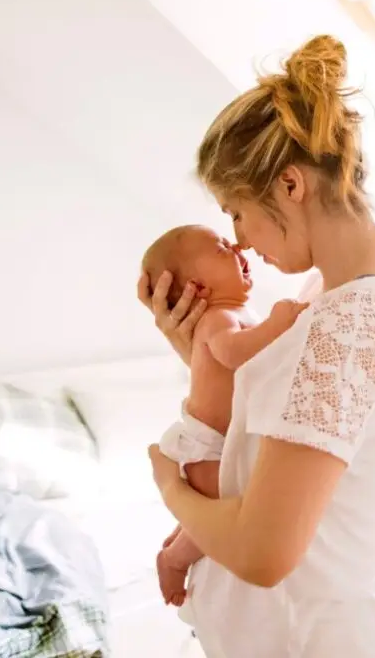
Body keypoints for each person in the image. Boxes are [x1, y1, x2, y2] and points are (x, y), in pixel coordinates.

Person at [138, 34, 375, 658]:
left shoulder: (349, 328)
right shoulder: (332, 292)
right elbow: (263, 427)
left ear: (290, 186)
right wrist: (188, 346)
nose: (240, 241)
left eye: (236, 212)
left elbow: (262, 553)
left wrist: (168, 484)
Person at [140, 224, 307, 612]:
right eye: (220, 248)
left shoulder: (238, 311)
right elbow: (234, 354)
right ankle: (176, 558)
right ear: (197, 286)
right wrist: (279, 323)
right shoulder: (218, 319)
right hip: (208, 443)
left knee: (212, 507)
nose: (235, 245)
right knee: (222, 506)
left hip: (224, 440)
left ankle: (177, 540)